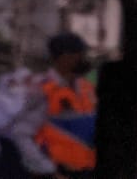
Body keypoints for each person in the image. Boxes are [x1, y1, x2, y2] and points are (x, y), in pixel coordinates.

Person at [36, 33, 97, 178]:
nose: (83, 60)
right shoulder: (42, 89)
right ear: (64, 57)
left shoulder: (87, 87)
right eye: (79, 55)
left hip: (87, 168)